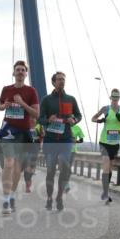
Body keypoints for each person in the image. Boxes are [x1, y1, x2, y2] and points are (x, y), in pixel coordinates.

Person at [0, 60, 40, 213]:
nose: (20, 72)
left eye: (23, 70)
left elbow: (36, 114)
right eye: (18, 70)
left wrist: (22, 103)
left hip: (23, 133)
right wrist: (4, 106)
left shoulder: (31, 91)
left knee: (17, 168)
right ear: (13, 73)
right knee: (8, 163)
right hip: (8, 130)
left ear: (26, 74)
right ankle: (5, 199)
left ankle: (12, 195)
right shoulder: (6, 89)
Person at [38, 71, 82, 211]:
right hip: (51, 140)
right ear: (53, 82)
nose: (61, 81)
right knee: (50, 171)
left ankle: (59, 197)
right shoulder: (46, 100)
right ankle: (50, 198)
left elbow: (79, 115)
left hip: (66, 140)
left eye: (63, 79)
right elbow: (40, 119)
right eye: (59, 79)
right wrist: (47, 120)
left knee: (64, 168)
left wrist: (73, 120)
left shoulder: (71, 99)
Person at [91, 88, 120, 203]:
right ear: (110, 98)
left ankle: (105, 191)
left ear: (119, 98)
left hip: (115, 143)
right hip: (104, 142)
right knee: (106, 166)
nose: (115, 100)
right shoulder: (105, 109)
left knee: (110, 168)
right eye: (113, 97)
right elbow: (93, 118)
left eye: (116, 98)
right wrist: (100, 120)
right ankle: (106, 193)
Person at [64, 122, 85, 193]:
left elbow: (81, 140)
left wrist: (75, 141)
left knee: (68, 169)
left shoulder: (77, 128)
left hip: (73, 151)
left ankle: (66, 183)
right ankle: (65, 184)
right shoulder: (63, 126)